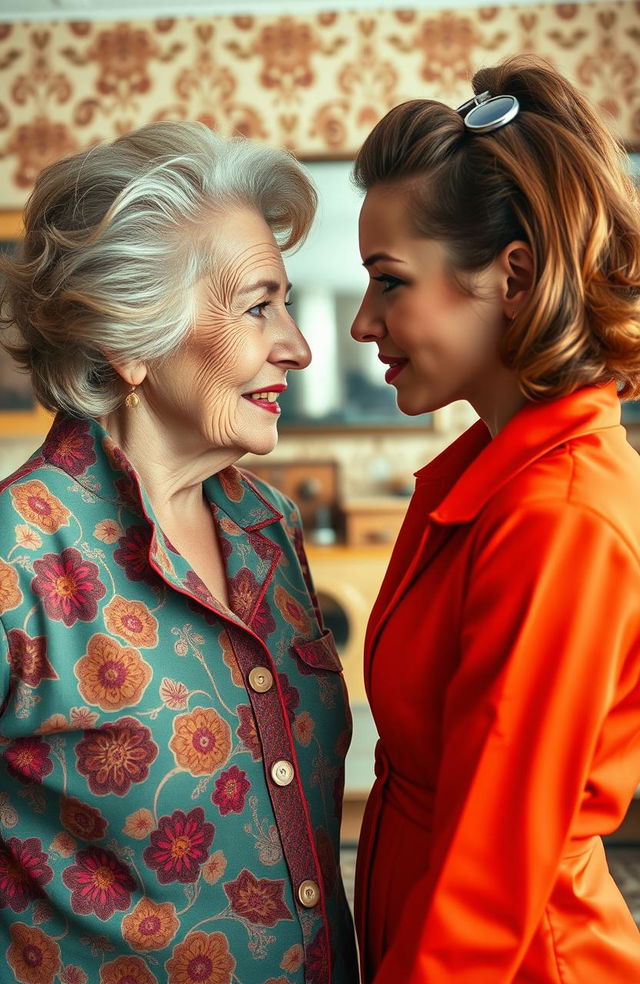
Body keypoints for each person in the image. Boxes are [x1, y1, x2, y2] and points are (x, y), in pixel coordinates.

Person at [0, 121, 358, 984]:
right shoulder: (15, 560)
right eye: (257, 305)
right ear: (131, 337)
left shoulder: (268, 524)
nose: (300, 347)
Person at [350, 54, 640, 983]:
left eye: (389, 281)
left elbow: (487, 889)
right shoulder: (490, 479)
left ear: (512, 276)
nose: (362, 322)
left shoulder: (558, 519)